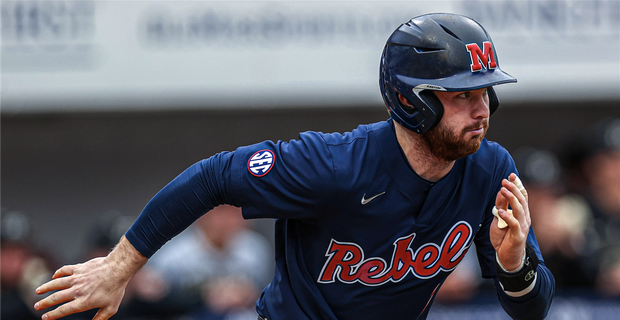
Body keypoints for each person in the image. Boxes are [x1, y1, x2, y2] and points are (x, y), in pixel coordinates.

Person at [34, 13, 555, 320]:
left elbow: (531, 311)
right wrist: (118, 267)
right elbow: (215, 176)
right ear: (410, 100)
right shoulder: (335, 164)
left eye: (485, 91)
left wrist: (514, 265)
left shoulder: (491, 169)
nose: (481, 107)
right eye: (461, 94)